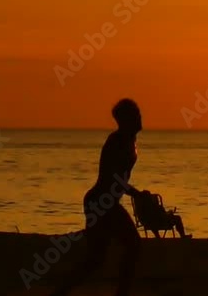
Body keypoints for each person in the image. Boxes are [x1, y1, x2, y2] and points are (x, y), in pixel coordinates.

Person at [50, 99, 145, 296]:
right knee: (130, 246)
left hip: (106, 203)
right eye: (135, 114)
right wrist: (134, 193)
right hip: (102, 203)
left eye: (138, 113)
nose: (140, 117)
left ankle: (60, 292)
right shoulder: (117, 141)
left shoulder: (129, 141)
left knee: (96, 260)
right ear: (126, 119)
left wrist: (134, 193)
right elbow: (112, 176)